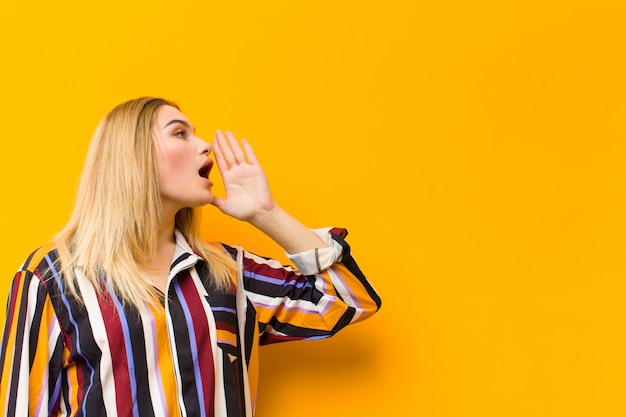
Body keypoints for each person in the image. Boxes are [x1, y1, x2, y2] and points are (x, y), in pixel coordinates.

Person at [0, 97, 381, 417]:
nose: (205, 146)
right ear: (131, 155)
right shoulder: (51, 280)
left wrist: (267, 214)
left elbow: (349, 300)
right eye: (180, 133)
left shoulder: (230, 273)